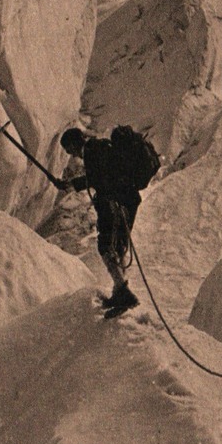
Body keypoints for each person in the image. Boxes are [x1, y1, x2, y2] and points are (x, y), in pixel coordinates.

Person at [58, 127, 141, 312]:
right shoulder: (99, 148)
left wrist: (74, 184)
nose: (69, 153)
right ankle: (120, 290)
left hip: (115, 204)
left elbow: (99, 179)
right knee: (117, 245)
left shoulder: (92, 151)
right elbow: (99, 177)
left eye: (68, 148)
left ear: (74, 143)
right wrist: (72, 184)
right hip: (126, 201)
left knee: (106, 245)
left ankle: (123, 293)